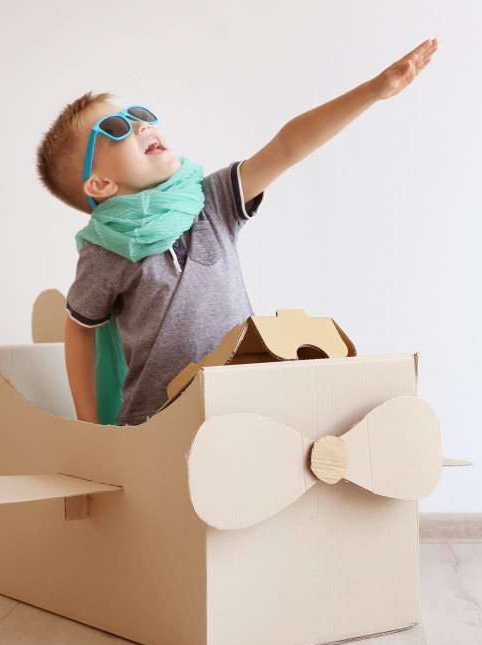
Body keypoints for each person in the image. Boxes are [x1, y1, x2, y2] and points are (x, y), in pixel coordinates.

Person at [35, 38, 438, 426]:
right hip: (158, 421)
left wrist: (372, 91)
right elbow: (80, 329)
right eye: (117, 127)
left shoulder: (211, 202)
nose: (140, 125)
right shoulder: (107, 252)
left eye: (139, 115)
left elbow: (285, 147)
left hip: (245, 405)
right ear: (101, 184)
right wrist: (88, 425)